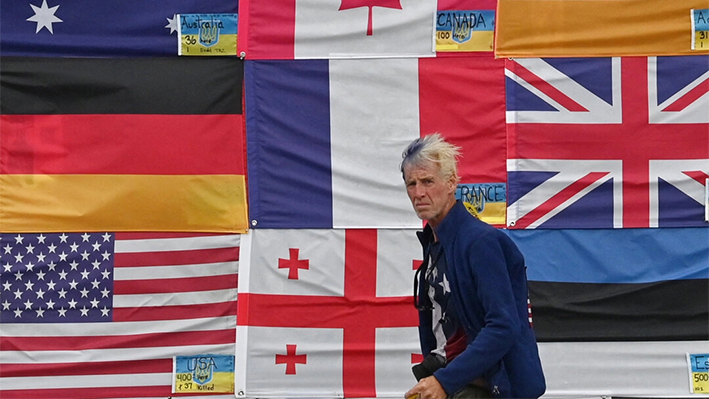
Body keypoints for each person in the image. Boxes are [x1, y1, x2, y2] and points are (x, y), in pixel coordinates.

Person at [401, 134, 546, 399]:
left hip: (485, 389)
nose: (419, 192)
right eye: (411, 183)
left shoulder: (480, 242)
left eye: (427, 181)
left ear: (452, 182)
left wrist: (444, 381)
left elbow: (503, 326)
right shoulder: (435, 243)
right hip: (456, 383)